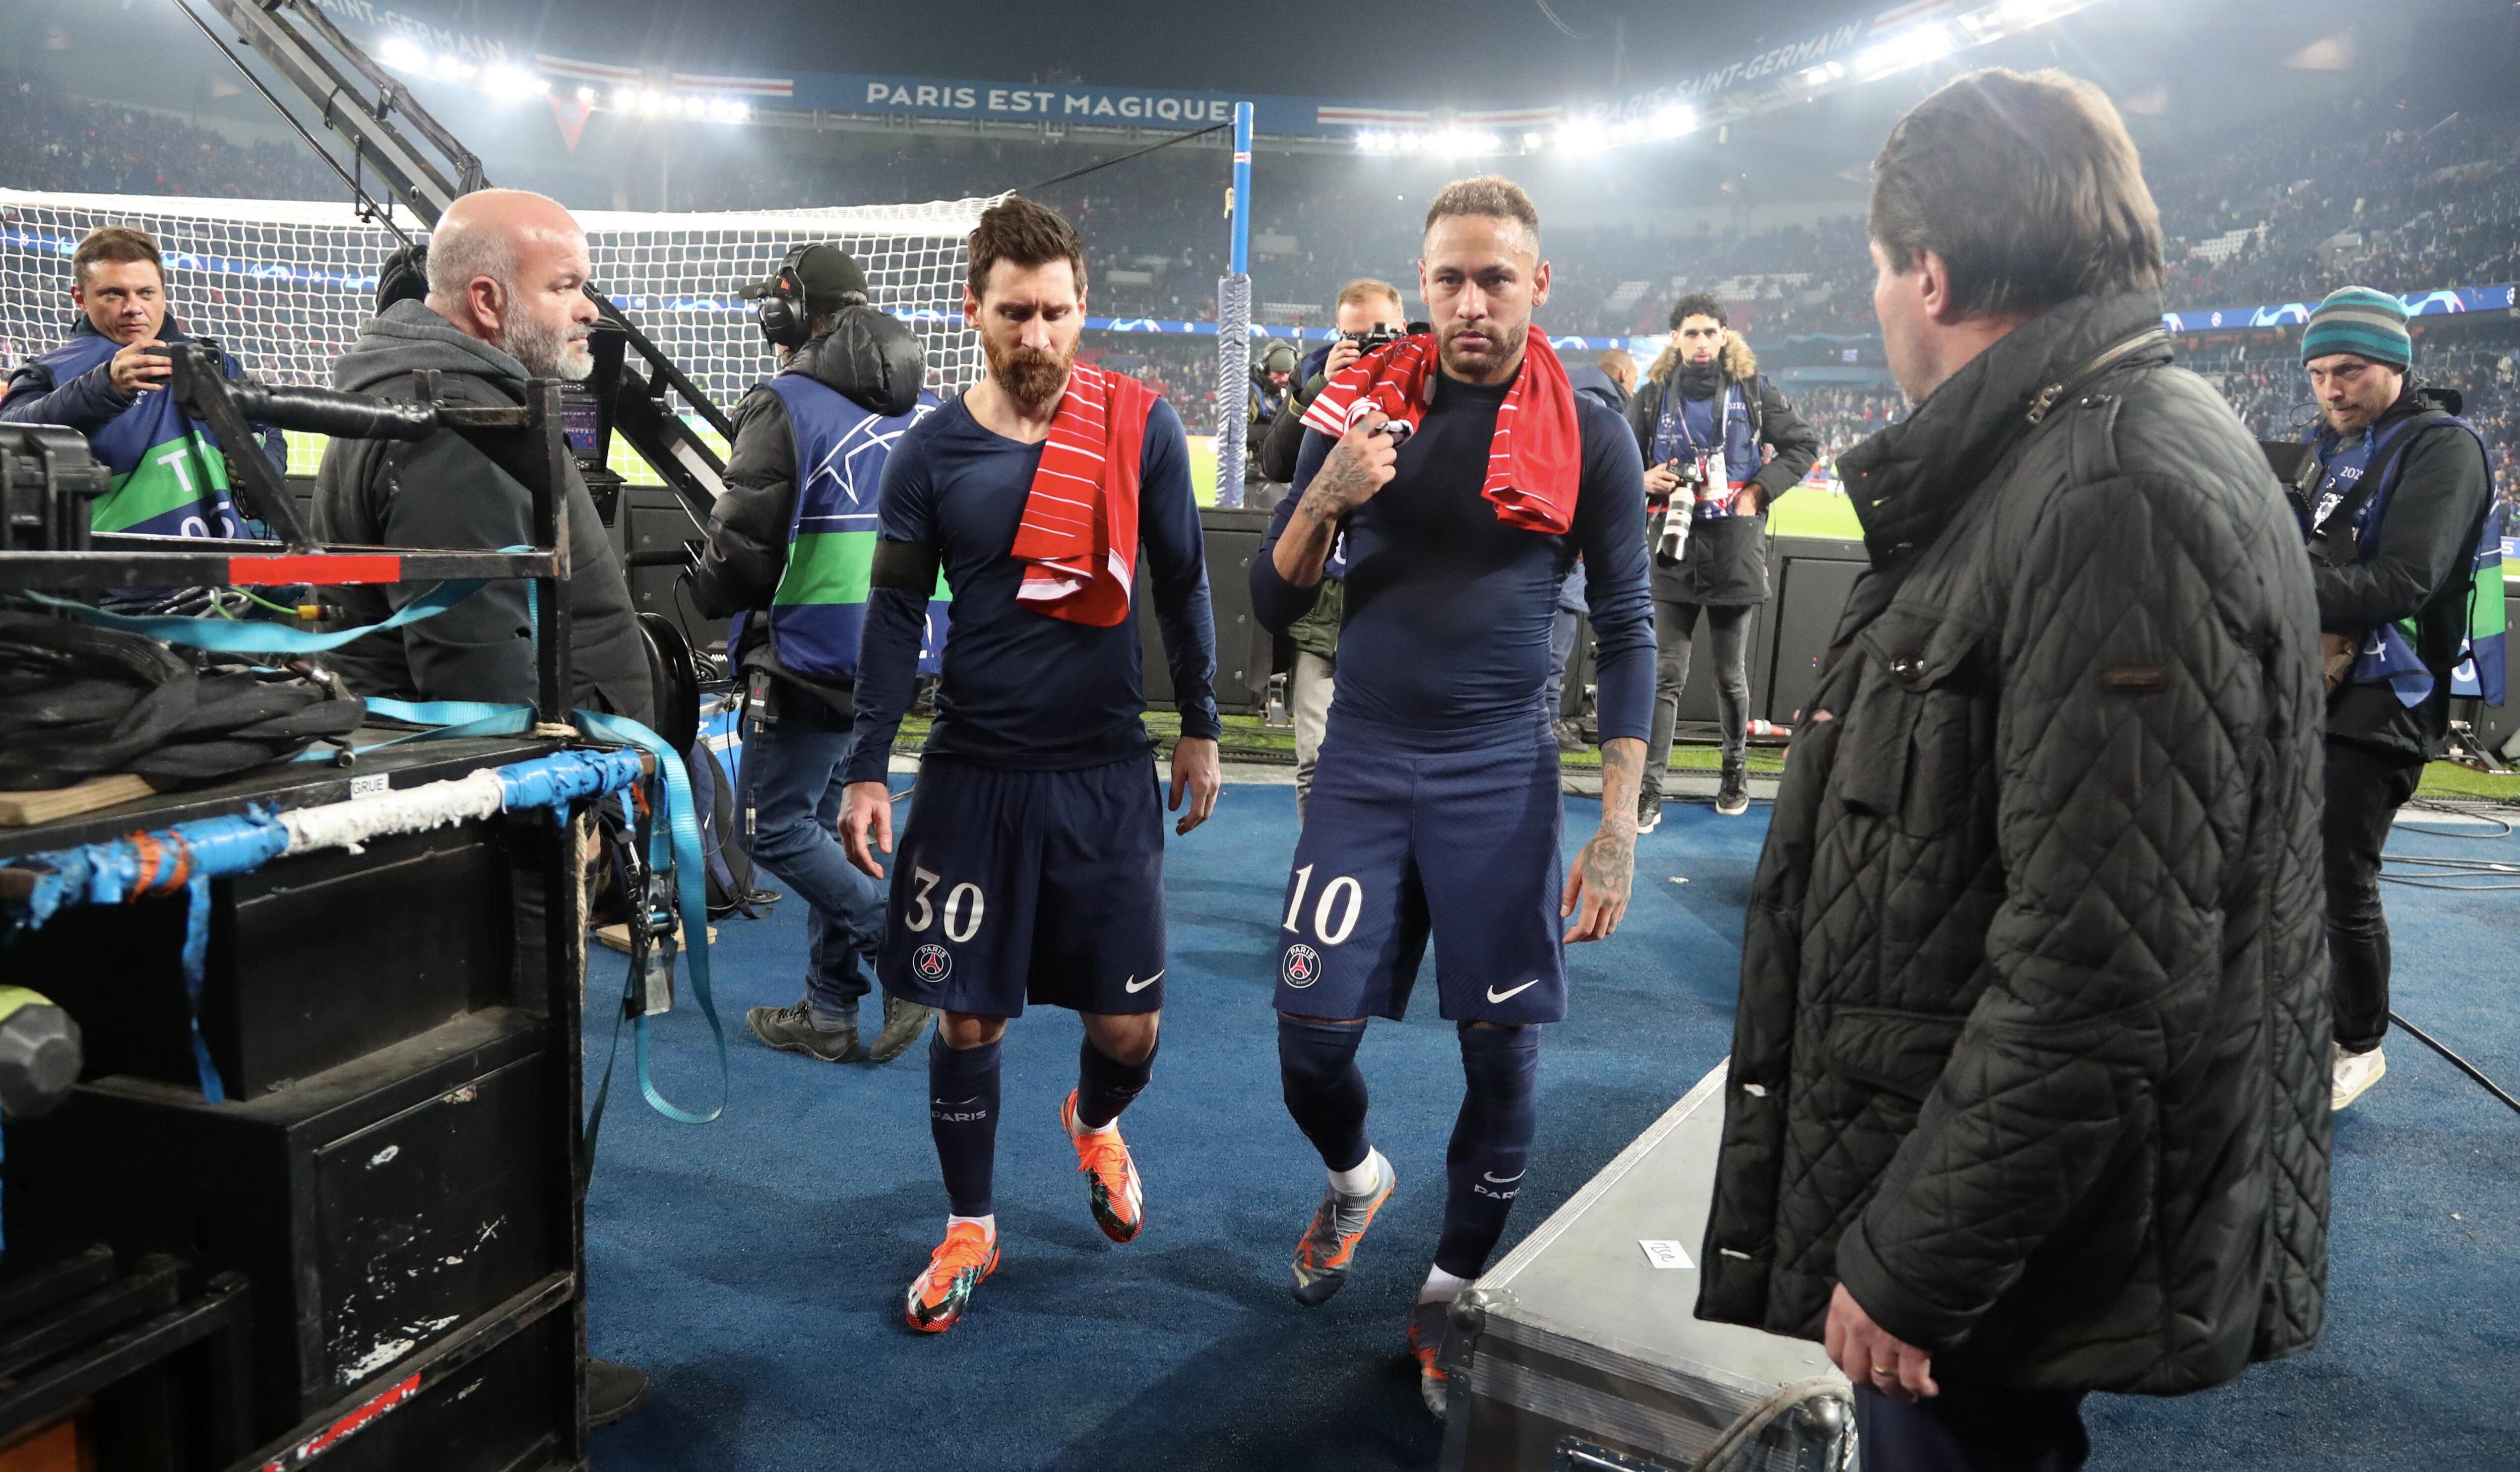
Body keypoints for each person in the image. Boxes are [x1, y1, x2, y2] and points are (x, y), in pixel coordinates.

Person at [1696, 70, 2330, 1472]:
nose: (1875, 301)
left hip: (1993, 1236)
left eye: (1875, 272)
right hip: (1994, 1183)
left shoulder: (2115, 490)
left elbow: (2106, 960)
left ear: (1930, 272)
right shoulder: (2076, 456)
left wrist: (1921, 1253)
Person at [1251, 175, 1653, 1419]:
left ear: (1539, 284)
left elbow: (1631, 631)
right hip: (1364, 762)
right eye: (1447, 279)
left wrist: (1617, 827)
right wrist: (1328, 492)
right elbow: (1272, 604)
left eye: (1494, 277)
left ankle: (1445, 1298)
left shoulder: (1591, 427)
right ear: (1420, 287)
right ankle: (1355, 1176)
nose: (1469, 301)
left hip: (1499, 773)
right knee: (1309, 1047)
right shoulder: (1356, 409)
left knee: (1505, 1061)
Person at [835, 198, 1223, 1335]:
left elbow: (1182, 582)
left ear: (1081, 309)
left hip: (1104, 774)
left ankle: (1093, 1122)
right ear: (974, 314)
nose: (1040, 337)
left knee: (1128, 1033)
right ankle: (971, 1225)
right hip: (974, 776)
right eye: (1016, 313)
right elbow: (895, 611)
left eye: (1058, 312)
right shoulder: (930, 450)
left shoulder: (1136, 426)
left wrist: (1200, 720)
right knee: (967, 1017)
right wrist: (867, 766)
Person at [689, 243, 940, 1068]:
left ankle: (896, 952)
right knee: (840, 824)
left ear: (792, 315)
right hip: (897, 650)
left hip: (808, 654)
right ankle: (830, 1011)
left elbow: (742, 552)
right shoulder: (930, 408)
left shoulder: (785, 402)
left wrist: (707, 590)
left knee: (772, 826)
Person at [314, 189, 654, 730]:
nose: (588, 307)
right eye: (564, 286)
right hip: (551, 785)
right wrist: (559, 801)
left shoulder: (432, 397)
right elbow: (482, 691)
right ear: (487, 301)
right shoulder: (461, 431)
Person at [2293, 286, 2499, 1111]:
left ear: (2397, 366)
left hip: (2389, 692)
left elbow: (2403, 580)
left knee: (2340, 870)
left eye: (2350, 370)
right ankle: (2299, 1014)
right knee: (2282, 867)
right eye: (2317, 374)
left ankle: (2357, 1041)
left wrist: (2270, 582)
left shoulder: (2444, 447)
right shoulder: (2317, 449)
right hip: (2304, 683)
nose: (2332, 389)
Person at [1623, 294, 1818, 828]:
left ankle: (1734, 774)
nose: (1701, 342)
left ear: (1726, 335)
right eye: (1690, 333)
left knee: (1730, 677)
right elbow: (1615, 457)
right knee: (1665, 675)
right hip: (1672, 543)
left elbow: (1804, 445)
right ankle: (1649, 789)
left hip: (1734, 544)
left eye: (1710, 332)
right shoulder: (1649, 397)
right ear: (1674, 339)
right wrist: (1641, 479)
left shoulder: (1753, 391)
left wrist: (1758, 490)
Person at [2, 225, 283, 540]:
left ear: (163, 293)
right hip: (112, 577)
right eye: (114, 294)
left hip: (223, 567)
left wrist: (262, 466)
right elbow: (10, 434)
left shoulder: (212, 359)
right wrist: (105, 388)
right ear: (80, 298)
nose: (133, 307)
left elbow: (266, 430)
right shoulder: (46, 372)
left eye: (146, 293)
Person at [1262, 279, 1413, 821]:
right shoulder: (1321, 373)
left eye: (1378, 333)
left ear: (1402, 328)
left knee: (1395, 761)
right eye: (1352, 335)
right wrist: (1324, 382)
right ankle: (1315, 874)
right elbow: (1274, 463)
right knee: (1316, 760)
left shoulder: (1427, 379)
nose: (1366, 345)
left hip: (1398, 598)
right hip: (1325, 596)